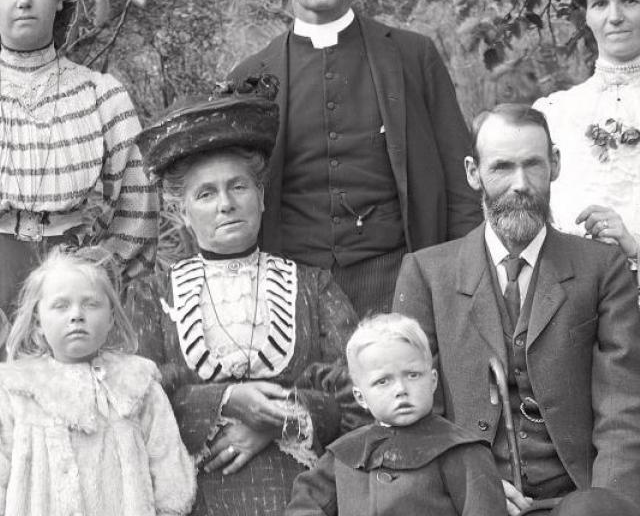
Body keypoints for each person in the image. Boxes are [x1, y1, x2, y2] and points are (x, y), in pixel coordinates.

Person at [229, 0, 481, 317]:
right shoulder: (248, 77)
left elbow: (462, 186)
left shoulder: (413, 56)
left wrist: (462, 289)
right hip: (290, 292)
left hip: (402, 280)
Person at [131, 74, 363, 516]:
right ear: (183, 212)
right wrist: (224, 401)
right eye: (205, 194)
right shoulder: (149, 297)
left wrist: (278, 422)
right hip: (194, 499)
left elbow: (361, 390)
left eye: (238, 186)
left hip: (305, 495)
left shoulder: (314, 287)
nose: (225, 203)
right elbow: (136, 399)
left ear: (260, 195)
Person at [393, 104, 640, 516]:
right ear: (473, 172)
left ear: (555, 164)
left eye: (533, 165)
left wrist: (608, 502)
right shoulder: (427, 274)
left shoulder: (601, 268)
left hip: (578, 498)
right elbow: (415, 411)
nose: (520, 184)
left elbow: (623, 405)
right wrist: (469, 486)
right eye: (502, 167)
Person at [0, 0, 158, 320]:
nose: (22, 0)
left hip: (75, 292)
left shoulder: (101, 96)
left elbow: (136, 205)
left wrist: (95, 284)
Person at [0, 247, 196, 516]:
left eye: (91, 304)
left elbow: (169, 468)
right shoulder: (15, 389)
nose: (77, 314)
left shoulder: (137, 383)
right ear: (37, 322)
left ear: (111, 318)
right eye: (61, 305)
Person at [285, 313, 507, 516]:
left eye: (412, 375)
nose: (401, 389)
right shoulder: (344, 455)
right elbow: (305, 506)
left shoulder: (461, 451)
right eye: (383, 381)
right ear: (360, 396)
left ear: (433, 381)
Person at [518, 0, 640, 270]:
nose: (615, 16)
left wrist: (632, 244)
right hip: (578, 304)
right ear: (585, 14)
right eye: (600, 3)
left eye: (630, 1)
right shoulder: (556, 114)